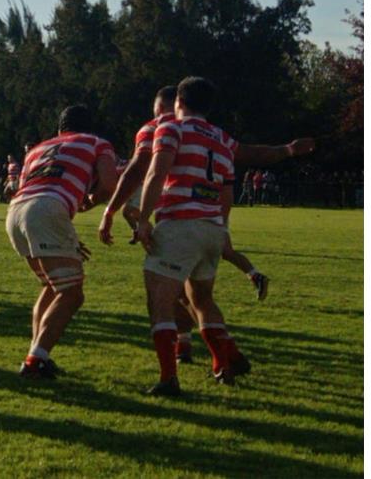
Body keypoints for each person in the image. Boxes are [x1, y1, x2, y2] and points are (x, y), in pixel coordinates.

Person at [124, 77, 314, 395]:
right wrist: (289, 150)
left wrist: (143, 219)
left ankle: (169, 379)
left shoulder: (172, 129)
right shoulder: (221, 138)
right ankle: (224, 361)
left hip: (179, 225)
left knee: (160, 300)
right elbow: (250, 158)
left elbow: (157, 172)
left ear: (179, 102)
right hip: (211, 228)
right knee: (202, 299)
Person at [4, 105, 117, 380]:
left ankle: (37, 352)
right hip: (47, 209)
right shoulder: (96, 143)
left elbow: (29, 185)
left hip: (16, 211)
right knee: (71, 293)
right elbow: (109, 184)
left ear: (59, 129)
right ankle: (36, 359)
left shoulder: (37, 148)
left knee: (52, 286)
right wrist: (90, 203)